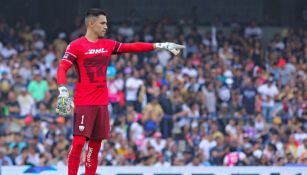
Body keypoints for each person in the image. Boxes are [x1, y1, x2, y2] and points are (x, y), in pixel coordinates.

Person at [56, 8, 184, 175]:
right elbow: (62, 68)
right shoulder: (76, 45)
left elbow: (133, 47)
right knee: (79, 144)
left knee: (95, 148)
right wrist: (63, 90)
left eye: (106, 23)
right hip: (84, 102)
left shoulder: (107, 44)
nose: (105, 27)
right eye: (102, 23)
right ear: (91, 23)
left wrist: (162, 45)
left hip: (102, 103)